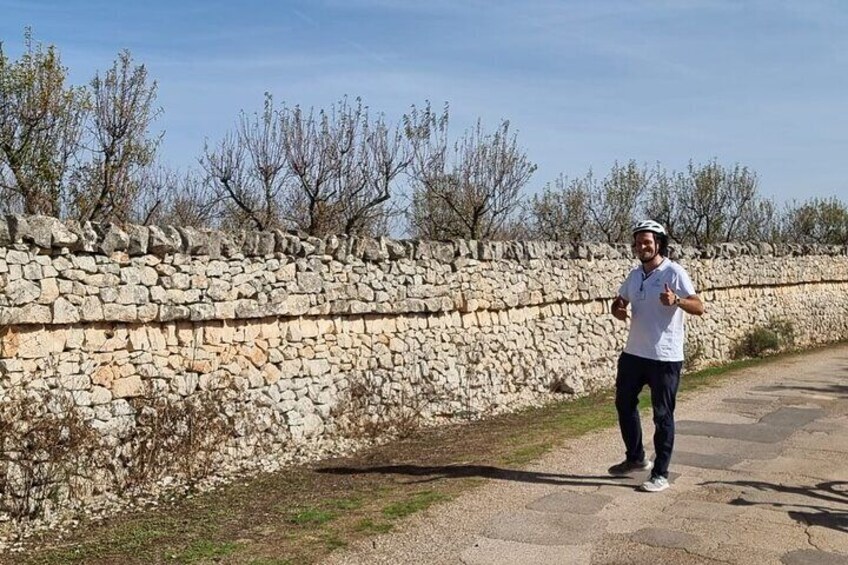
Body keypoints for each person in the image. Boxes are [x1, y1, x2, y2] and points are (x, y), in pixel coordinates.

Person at [608, 220, 705, 492]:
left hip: (664, 357)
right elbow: (620, 301)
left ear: (659, 243)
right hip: (634, 354)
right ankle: (636, 458)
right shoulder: (634, 275)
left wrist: (676, 301)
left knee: (662, 415)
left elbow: (698, 306)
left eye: (647, 242)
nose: (642, 247)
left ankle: (660, 473)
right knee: (624, 404)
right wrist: (617, 308)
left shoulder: (674, 272)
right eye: (638, 243)